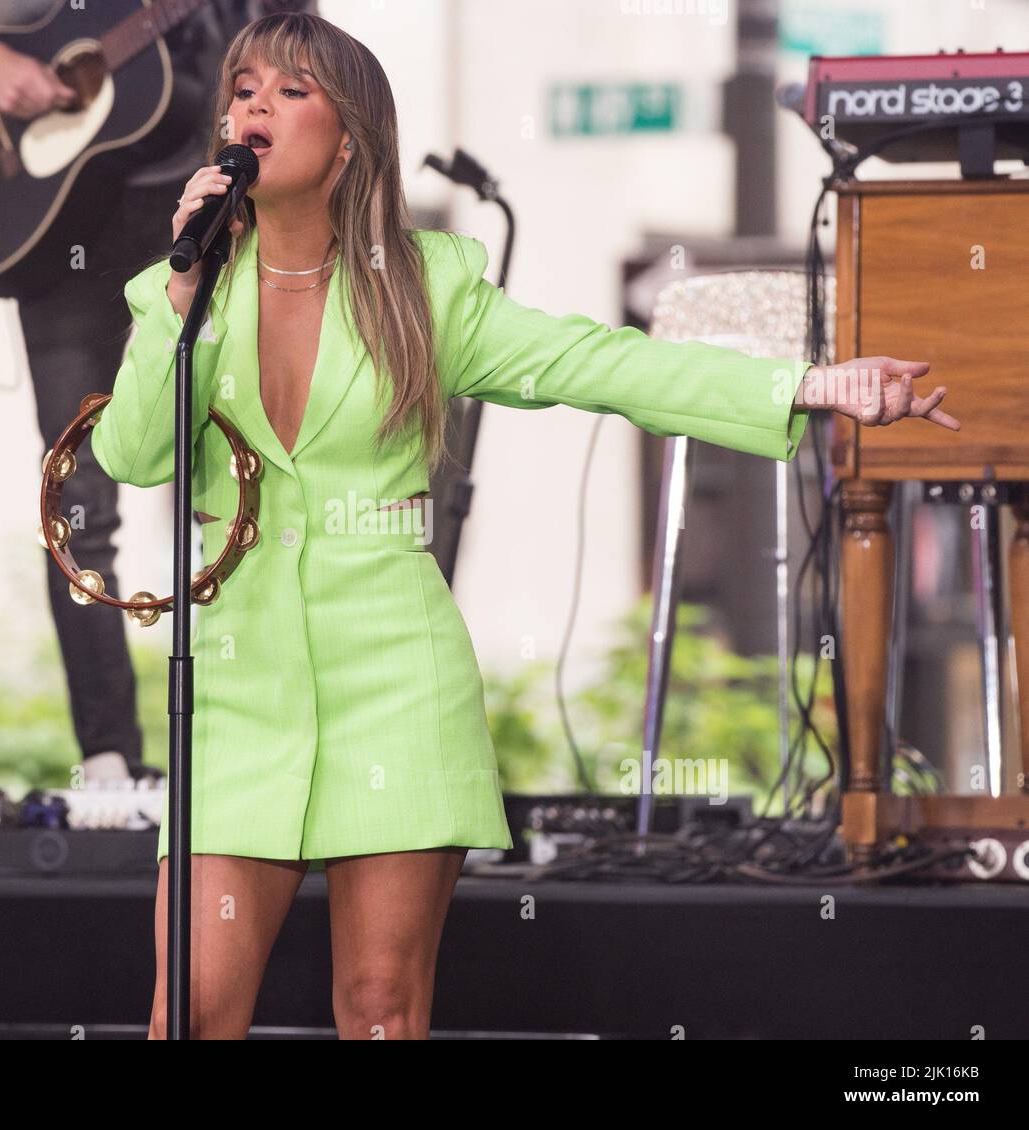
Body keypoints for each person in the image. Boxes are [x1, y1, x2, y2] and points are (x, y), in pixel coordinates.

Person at [93, 12, 959, 1039]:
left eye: (290, 91)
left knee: (378, 1008)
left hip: (394, 684)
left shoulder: (428, 287)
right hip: (237, 690)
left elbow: (606, 364)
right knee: (188, 1011)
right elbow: (133, 455)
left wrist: (813, 382)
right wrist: (180, 289)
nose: (254, 108)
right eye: (243, 89)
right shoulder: (180, 297)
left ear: (350, 136)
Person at [0, 0, 314, 785]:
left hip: (210, 207)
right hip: (54, 216)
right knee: (77, 499)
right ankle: (109, 762)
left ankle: (257, 752)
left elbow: (307, 57)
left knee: (249, 476)